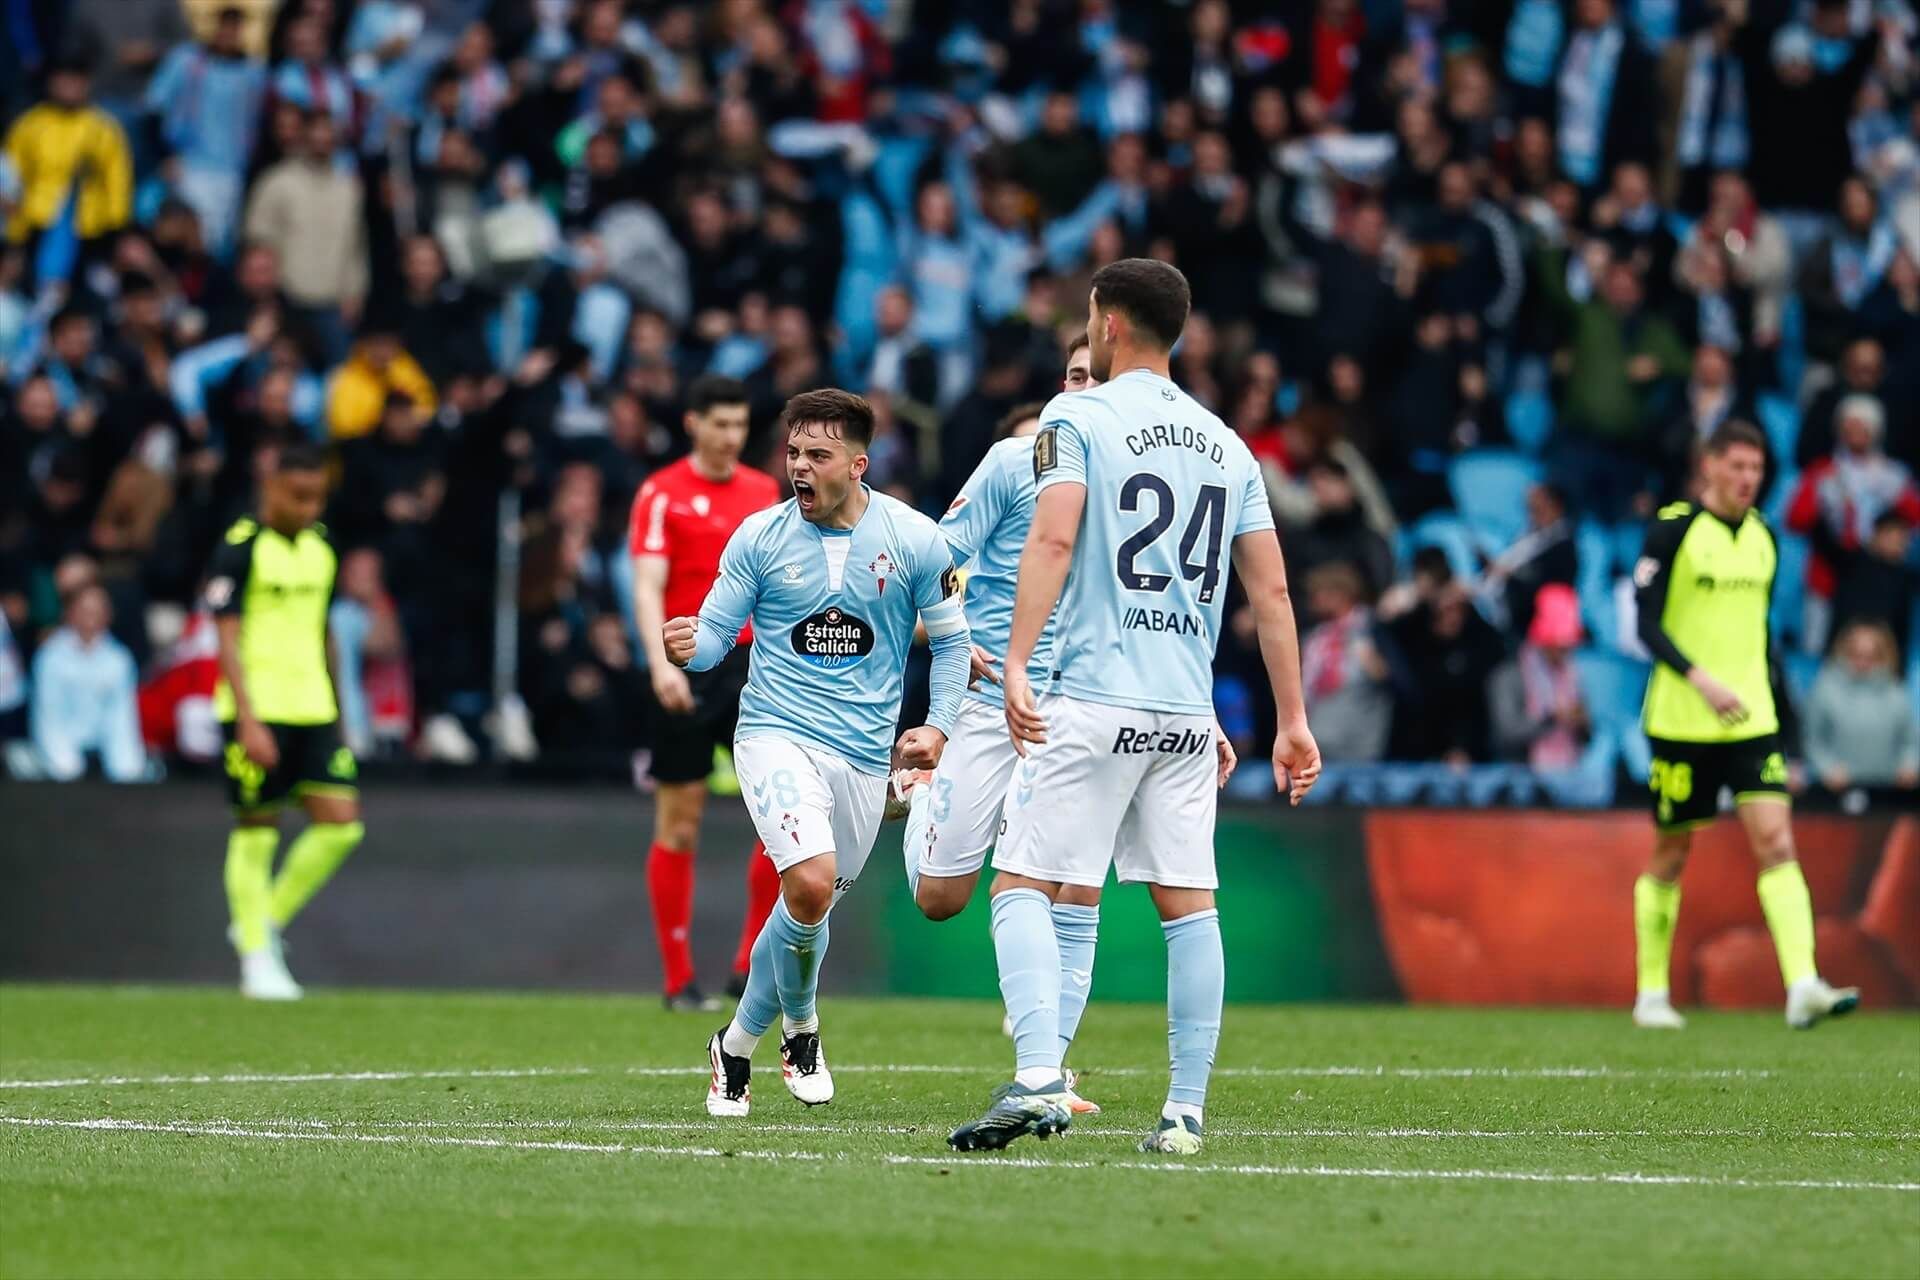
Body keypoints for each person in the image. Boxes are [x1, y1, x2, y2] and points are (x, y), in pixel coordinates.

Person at [949, 259, 1319, 1156]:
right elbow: (1270, 594)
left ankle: (1038, 1078)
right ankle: (1185, 1115)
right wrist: (1293, 720)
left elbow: (1055, 531)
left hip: (1090, 698)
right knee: (1190, 907)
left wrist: (1016, 663)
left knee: (1020, 884)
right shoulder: (1229, 444)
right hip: (1188, 715)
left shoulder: (1075, 417)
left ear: (1108, 324)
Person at [665, 388, 970, 1117]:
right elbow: (714, 640)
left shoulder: (916, 538)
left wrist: (940, 727)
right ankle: (801, 1028)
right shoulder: (759, 537)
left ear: (858, 464)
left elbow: (954, 643)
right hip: (774, 734)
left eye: (817, 454)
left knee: (805, 907)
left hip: (865, 758)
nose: (798, 465)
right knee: (807, 884)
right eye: (793, 452)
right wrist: (691, 646)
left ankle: (735, 1045)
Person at [1631, 421, 1857, 1031]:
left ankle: (1802, 984)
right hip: (1682, 720)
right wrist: (1698, 677)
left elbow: (1759, 638)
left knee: (1777, 842)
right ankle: (1651, 993)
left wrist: (1786, 719)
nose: (1746, 480)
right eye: (1735, 467)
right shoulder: (1673, 531)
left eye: (1755, 470)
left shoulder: (1763, 538)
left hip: (1752, 719)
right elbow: (1645, 625)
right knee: (1672, 852)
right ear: (1709, 466)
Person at [627, 376, 782, 1011]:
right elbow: (646, 584)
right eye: (720, 424)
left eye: (740, 426)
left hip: (753, 663)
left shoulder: (764, 492)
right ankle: (676, 981)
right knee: (680, 823)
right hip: (686, 661)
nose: (730, 437)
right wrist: (659, 664)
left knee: (780, 817)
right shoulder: (661, 493)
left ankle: (747, 962)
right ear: (694, 424)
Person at [203, 443, 365, 1001]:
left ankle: (260, 921)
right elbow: (223, 635)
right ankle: (256, 958)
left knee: (343, 824)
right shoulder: (241, 548)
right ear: (272, 488)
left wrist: (342, 710)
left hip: (313, 705)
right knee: (257, 828)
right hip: (258, 708)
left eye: (318, 496)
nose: (309, 506)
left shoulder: (323, 547)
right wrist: (247, 719)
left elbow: (324, 631)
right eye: (299, 496)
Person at [30, 584, 145, 782]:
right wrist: (65, 764)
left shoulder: (119, 659)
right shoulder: (50, 658)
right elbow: (49, 717)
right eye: (85, 610)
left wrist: (126, 767)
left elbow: (122, 719)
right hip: (61, 759)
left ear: (108, 615)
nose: (91, 617)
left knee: (128, 768)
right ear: (70, 613)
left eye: (98, 611)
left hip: (103, 751)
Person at [1802, 620, 1919, 793]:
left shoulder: (1897, 693)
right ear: (1843, 652)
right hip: (1835, 793)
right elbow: (1812, 740)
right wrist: (1826, 768)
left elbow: (1911, 742)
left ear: (1883, 656)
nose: (1863, 663)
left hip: (1888, 791)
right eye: (1856, 655)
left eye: (1871, 656)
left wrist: (1909, 765)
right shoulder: (1825, 689)